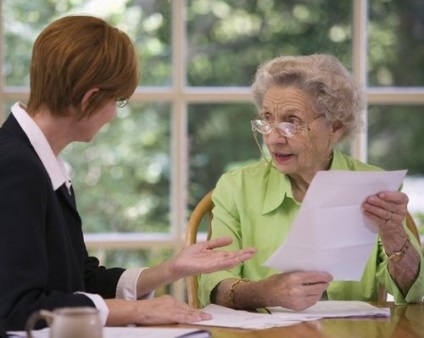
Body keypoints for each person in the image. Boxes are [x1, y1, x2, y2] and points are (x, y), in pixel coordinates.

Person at [0, 15, 256, 332]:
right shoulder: (15, 167)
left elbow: (82, 278)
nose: (114, 115)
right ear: (89, 98)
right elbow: (16, 309)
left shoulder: (39, 162)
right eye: (117, 101)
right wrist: (138, 311)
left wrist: (170, 269)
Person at [199, 54, 424, 311]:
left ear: (336, 127)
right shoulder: (236, 188)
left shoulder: (374, 186)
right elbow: (213, 285)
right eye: (268, 119)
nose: (273, 139)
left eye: (291, 123)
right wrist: (263, 293)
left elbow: (412, 293)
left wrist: (394, 233)